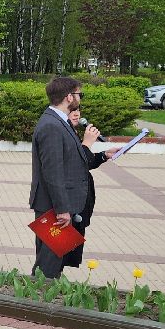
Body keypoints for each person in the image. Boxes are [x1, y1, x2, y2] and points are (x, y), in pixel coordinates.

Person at [29, 77, 92, 278]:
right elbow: (52, 172)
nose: (79, 99)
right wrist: (62, 210)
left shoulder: (60, 122)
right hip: (53, 207)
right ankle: (35, 303)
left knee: (54, 260)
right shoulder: (52, 126)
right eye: (79, 95)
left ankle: (42, 299)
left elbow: (71, 160)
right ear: (68, 97)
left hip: (57, 205)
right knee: (48, 264)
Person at [62, 104, 114, 269]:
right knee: (57, 254)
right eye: (72, 111)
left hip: (79, 205)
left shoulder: (72, 132)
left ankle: (56, 284)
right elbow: (72, 165)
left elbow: (84, 163)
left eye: (78, 110)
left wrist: (104, 156)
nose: (76, 114)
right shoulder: (61, 133)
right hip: (67, 205)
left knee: (69, 254)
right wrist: (86, 144)